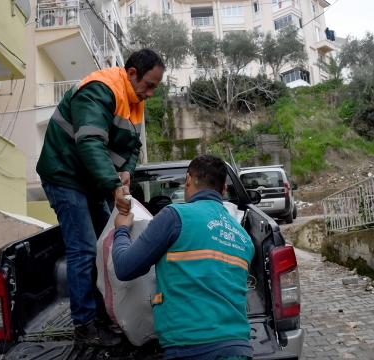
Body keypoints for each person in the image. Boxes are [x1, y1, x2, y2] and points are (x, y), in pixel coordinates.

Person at [36, 49, 165, 347]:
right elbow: (91, 142)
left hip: (88, 182)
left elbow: (132, 147)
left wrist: (127, 174)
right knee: (82, 248)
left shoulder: (134, 100)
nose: (152, 93)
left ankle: (102, 313)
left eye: (155, 86)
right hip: (64, 174)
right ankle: (84, 325)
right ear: (131, 73)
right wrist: (114, 186)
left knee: (100, 247)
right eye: (149, 84)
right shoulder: (100, 89)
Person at [113, 154, 255, 360]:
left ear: (188, 179)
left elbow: (124, 267)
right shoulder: (244, 237)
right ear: (223, 191)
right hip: (239, 348)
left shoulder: (175, 217)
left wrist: (122, 230)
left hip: (192, 348)